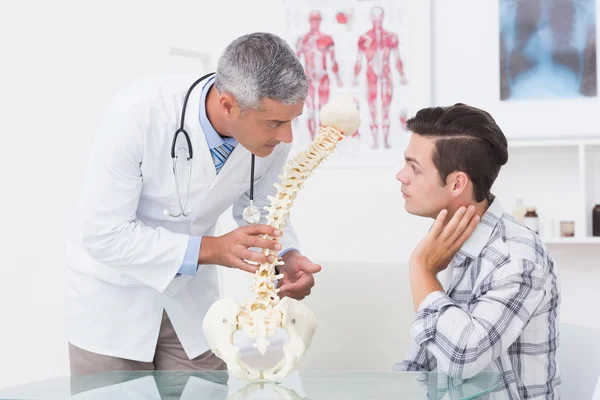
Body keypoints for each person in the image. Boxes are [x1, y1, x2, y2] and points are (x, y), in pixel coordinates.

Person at [65, 32, 322, 375]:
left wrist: (285, 256)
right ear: (229, 104)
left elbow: (264, 207)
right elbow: (102, 233)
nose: (287, 136)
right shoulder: (138, 113)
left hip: (190, 301)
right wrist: (212, 249)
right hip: (113, 298)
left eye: (291, 121)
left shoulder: (273, 133)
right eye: (275, 123)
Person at [393, 103, 561, 398]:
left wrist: (421, 270)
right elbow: (422, 362)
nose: (401, 175)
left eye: (414, 168)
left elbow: (462, 357)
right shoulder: (448, 242)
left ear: (457, 183)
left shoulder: (516, 256)